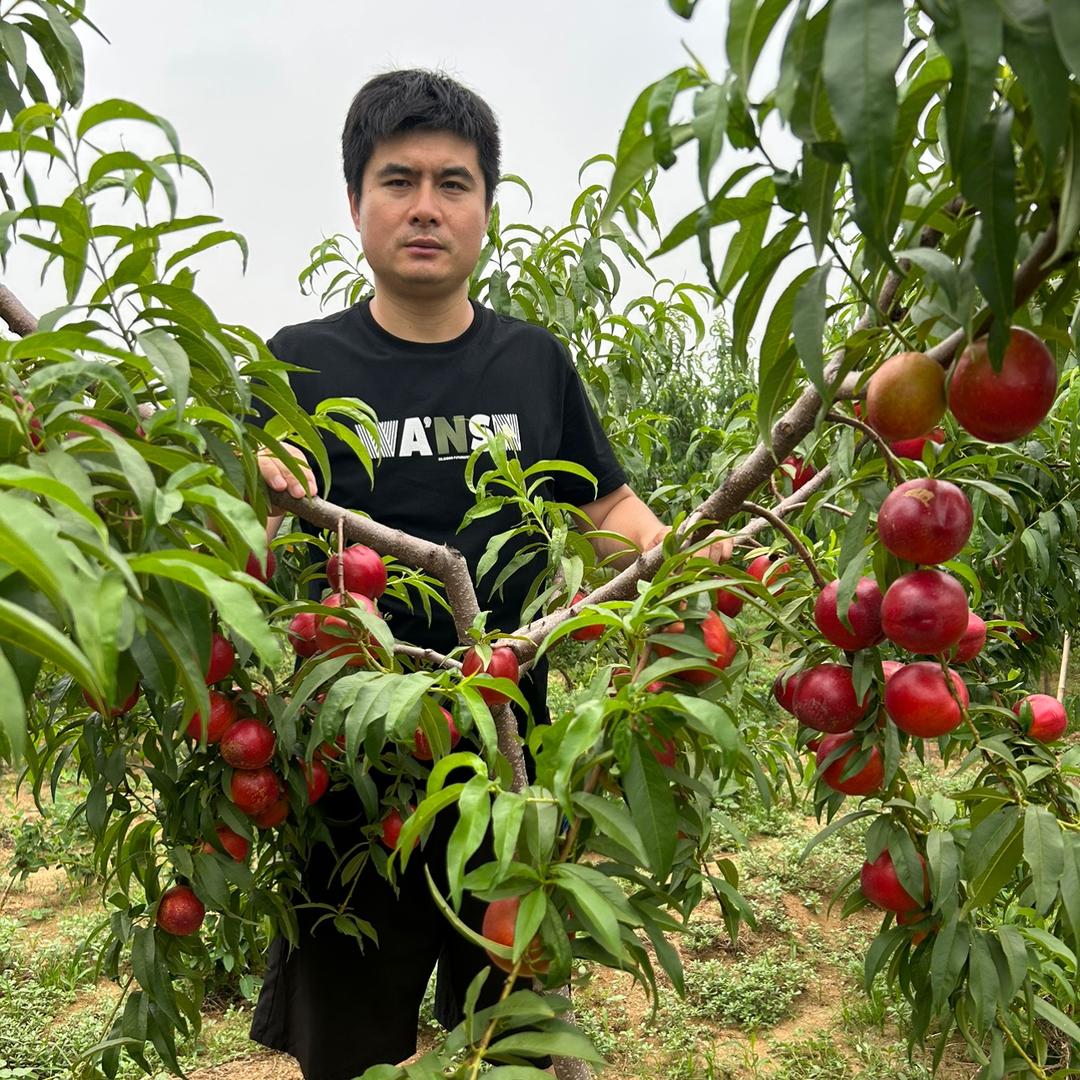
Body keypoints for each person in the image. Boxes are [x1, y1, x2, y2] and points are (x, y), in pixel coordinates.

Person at [248, 69, 731, 1080]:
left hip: (513, 763)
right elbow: (242, 548)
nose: (426, 207)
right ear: (354, 204)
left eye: (453, 183)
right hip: (347, 782)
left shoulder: (533, 362)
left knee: (509, 1037)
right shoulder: (295, 362)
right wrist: (244, 483)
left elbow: (607, 513)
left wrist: (684, 557)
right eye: (398, 180)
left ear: (488, 210)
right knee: (348, 1048)